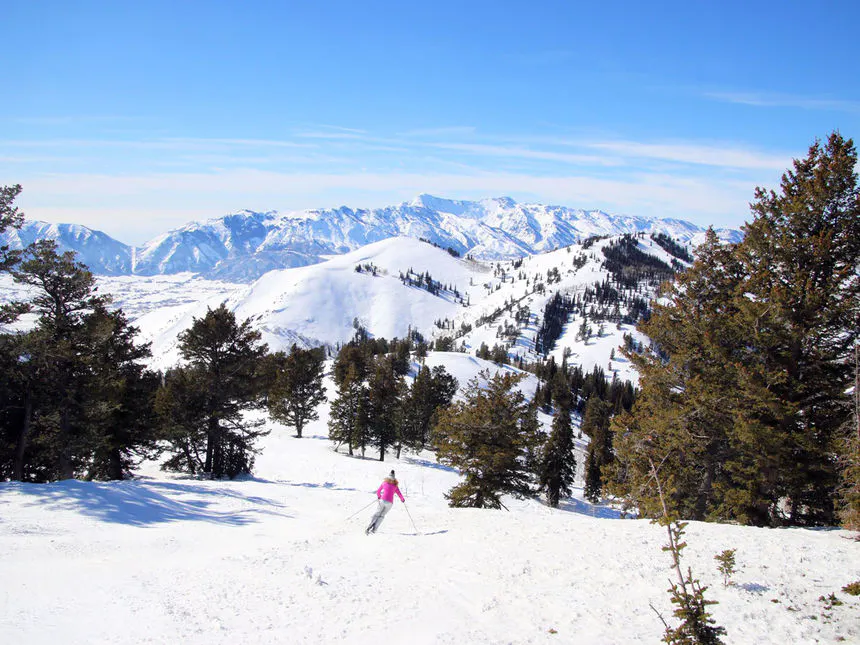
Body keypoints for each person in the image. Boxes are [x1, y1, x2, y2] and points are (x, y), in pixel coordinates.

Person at [366, 470, 405, 534]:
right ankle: (374, 529)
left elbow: (378, 491)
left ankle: (370, 526)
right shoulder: (395, 486)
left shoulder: (384, 483)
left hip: (383, 500)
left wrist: (379, 496)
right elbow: (399, 493)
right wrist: (402, 499)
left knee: (377, 513)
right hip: (390, 503)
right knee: (382, 515)